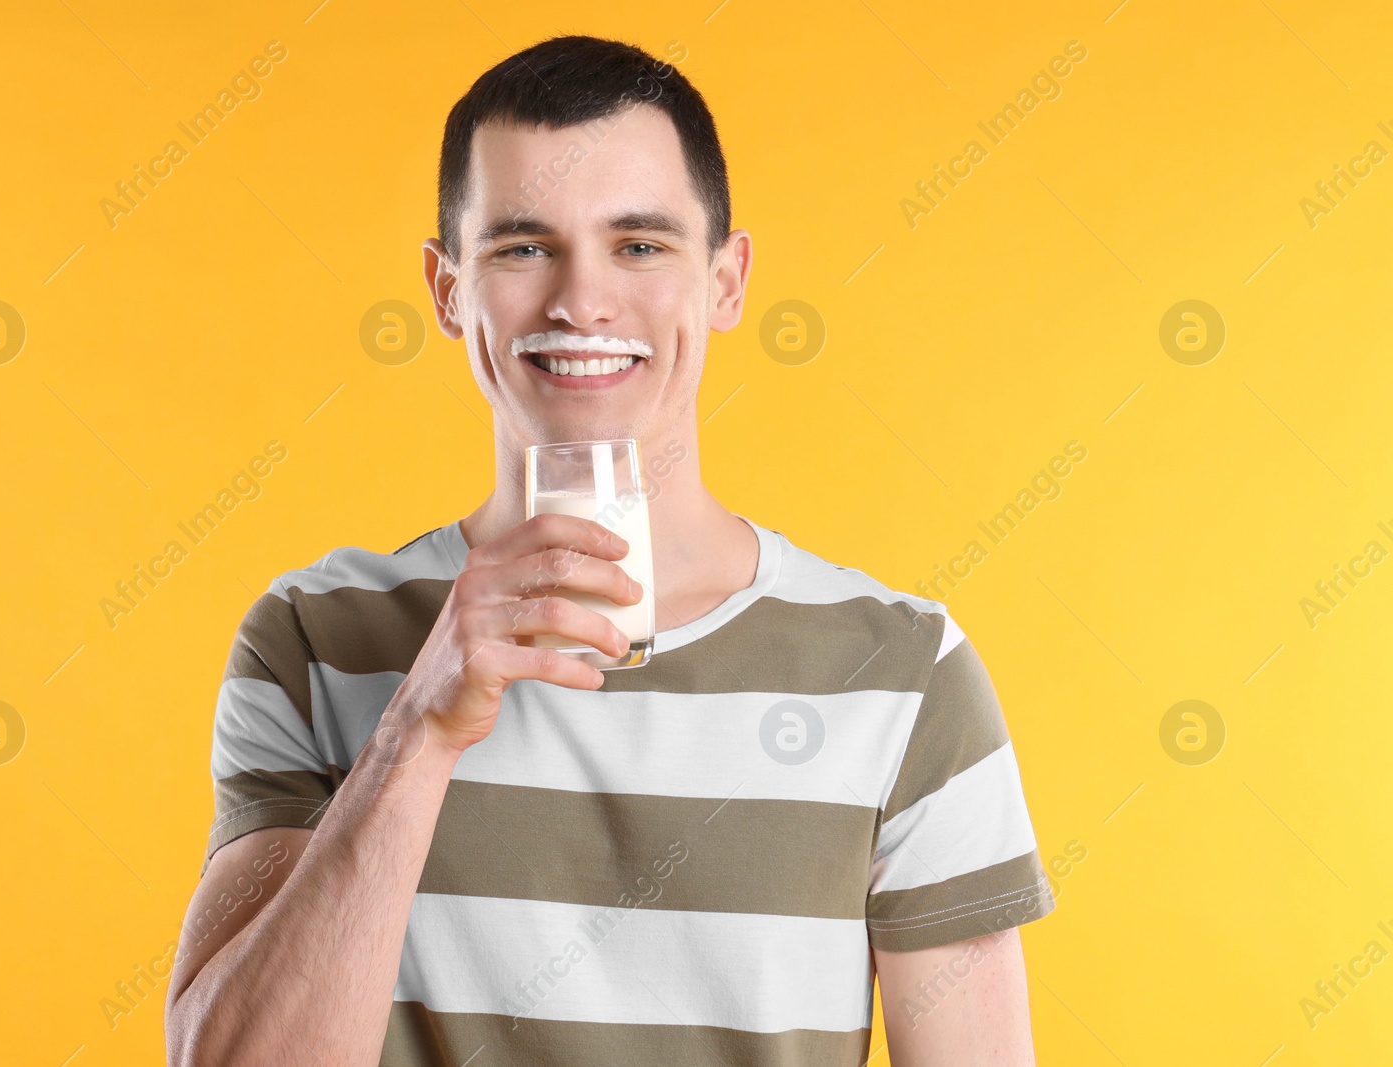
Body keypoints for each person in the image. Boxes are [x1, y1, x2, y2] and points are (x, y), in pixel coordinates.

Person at [165, 34, 1055, 1067]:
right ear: (448, 290)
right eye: (521, 247)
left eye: (639, 245)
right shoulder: (313, 639)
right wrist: (416, 731)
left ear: (725, 281)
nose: (581, 302)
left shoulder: (904, 673)